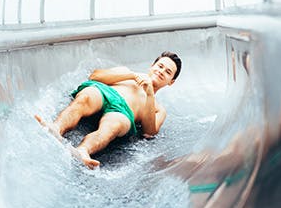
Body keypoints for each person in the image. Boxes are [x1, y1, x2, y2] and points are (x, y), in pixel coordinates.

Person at [35, 51, 182, 168]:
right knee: (86, 96)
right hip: (105, 93)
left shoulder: (158, 108)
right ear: (152, 66)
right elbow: (95, 76)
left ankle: (83, 150)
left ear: (172, 82)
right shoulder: (126, 72)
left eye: (168, 72)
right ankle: (56, 127)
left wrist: (149, 93)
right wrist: (130, 75)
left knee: (112, 126)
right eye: (160, 66)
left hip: (123, 113)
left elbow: (149, 131)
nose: (161, 71)